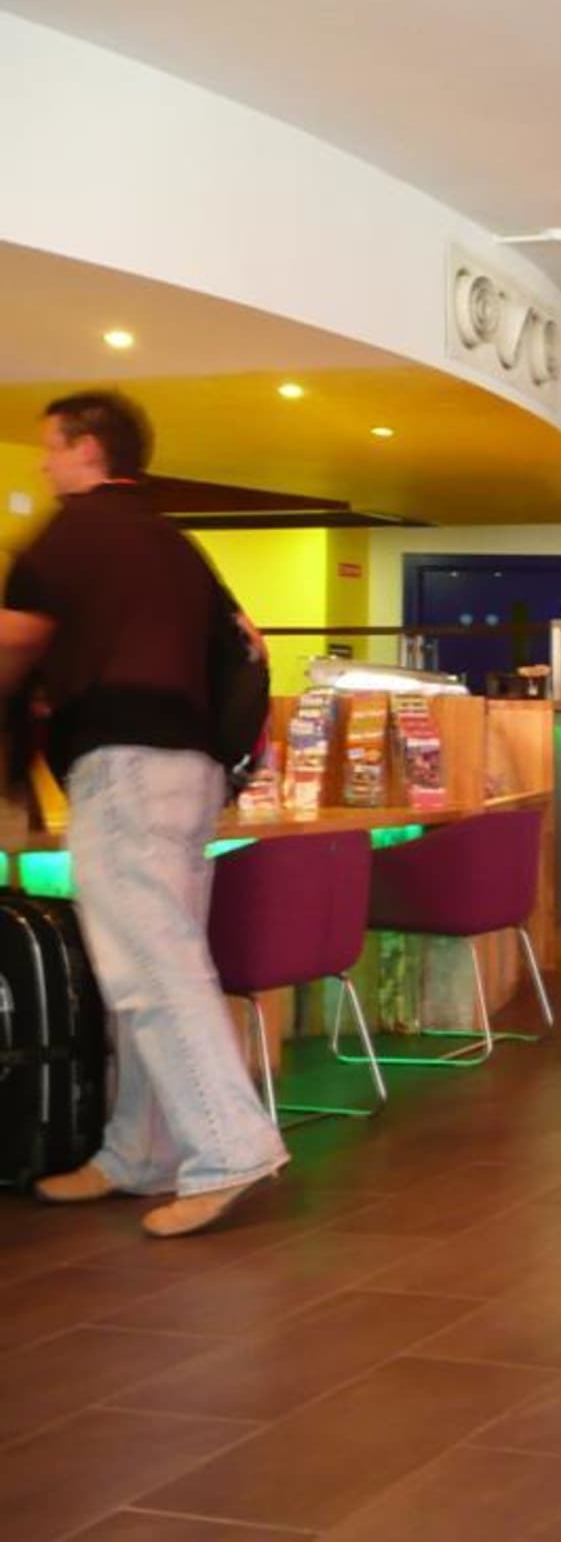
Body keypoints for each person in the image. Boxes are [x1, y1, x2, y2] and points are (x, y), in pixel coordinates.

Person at [0, 390, 287, 1237]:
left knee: (151, 971)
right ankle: (140, 1150)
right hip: (192, 772)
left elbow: (14, 641)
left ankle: (230, 1148)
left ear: (89, 450)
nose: (44, 464)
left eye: (53, 448)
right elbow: (249, 641)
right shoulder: (174, 543)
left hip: (125, 768)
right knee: (159, 961)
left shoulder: (76, 532)